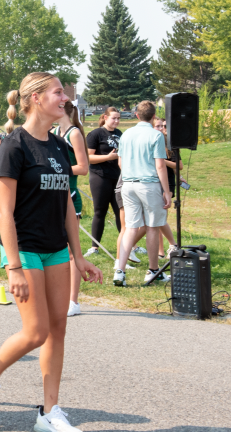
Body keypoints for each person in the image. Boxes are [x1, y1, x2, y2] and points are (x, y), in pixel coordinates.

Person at [0, 72, 102, 431]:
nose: (65, 99)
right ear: (37, 98)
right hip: (24, 250)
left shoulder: (59, 146)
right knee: (36, 332)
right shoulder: (14, 145)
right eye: (59, 92)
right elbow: (4, 212)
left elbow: (68, 209)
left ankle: (49, 412)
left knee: (58, 330)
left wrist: (79, 255)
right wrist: (12, 267)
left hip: (56, 248)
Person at [113, 101, 172, 287]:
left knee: (131, 228)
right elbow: (160, 165)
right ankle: (154, 271)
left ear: (137, 115)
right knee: (152, 226)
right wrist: (167, 191)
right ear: (154, 116)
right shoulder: (156, 135)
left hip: (128, 184)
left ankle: (119, 271)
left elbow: (120, 163)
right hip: (148, 184)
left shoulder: (126, 134)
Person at [51, 100, 89, 317]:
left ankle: (73, 301)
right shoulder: (54, 131)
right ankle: (58, 296)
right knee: (56, 250)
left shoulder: (74, 133)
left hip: (69, 196)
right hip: (53, 196)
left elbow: (83, 168)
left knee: (72, 252)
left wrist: (57, 171)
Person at [84, 107, 122, 256]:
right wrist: (107, 157)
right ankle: (94, 247)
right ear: (105, 117)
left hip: (117, 176)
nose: (117, 121)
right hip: (100, 176)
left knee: (121, 211)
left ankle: (128, 246)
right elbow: (88, 157)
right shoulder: (96, 134)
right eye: (114, 118)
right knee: (100, 211)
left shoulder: (119, 134)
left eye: (119, 118)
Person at [153, 117, 181, 259]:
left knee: (160, 217)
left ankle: (172, 245)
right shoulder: (152, 142)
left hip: (167, 183)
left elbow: (179, 166)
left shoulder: (170, 145)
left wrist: (162, 161)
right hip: (152, 182)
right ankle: (160, 252)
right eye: (158, 126)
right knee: (155, 220)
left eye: (163, 126)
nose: (161, 129)